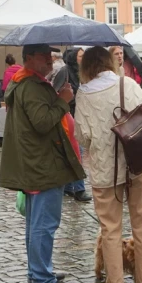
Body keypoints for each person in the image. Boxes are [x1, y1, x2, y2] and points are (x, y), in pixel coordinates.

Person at [0, 44, 85, 283]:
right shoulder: (31, 87)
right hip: (42, 163)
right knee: (44, 224)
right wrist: (62, 101)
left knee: (36, 222)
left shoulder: (24, 83)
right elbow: (42, 122)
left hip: (36, 162)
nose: (49, 59)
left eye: (50, 55)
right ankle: (41, 278)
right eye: (42, 56)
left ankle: (38, 270)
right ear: (28, 59)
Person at [74, 46, 142, 283]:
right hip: (139, 164)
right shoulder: (128, 84)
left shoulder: (84, 93)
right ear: (110, 61)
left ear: (86, 67)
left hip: (105, 170)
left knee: (110, 230)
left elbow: (82, 137)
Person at [61, 47, 92, 202]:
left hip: (79, 117)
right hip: (69, 117)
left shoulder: (82, 73)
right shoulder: (65, 72)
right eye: (80, 56)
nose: (83, 58)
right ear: (74, 58)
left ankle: (67, 187)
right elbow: (61, 96)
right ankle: (79, 189)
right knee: (76, 152)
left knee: (71, 152)